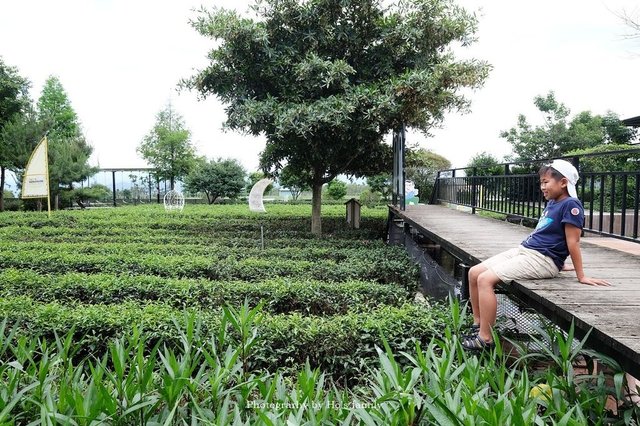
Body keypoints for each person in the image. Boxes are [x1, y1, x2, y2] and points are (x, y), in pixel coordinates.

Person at [462, 159, 611, 351]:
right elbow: (552, 236)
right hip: (527, 251)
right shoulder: (552, 202)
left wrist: (580, 275)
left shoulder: (571, 205)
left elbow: (573, 242)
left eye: (546, 182)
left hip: (540, 259)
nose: (542, 187)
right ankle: (478, 324)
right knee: (474, 272)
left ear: (563, 182)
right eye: (541, 182)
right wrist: (560, 262)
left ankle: (485, 338)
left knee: (485, 280)